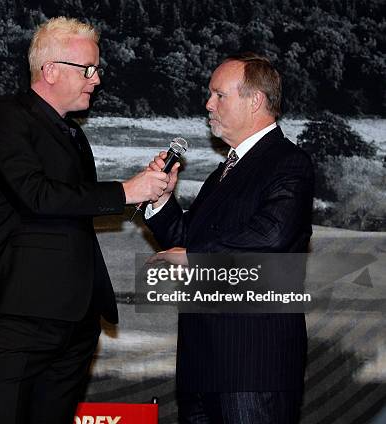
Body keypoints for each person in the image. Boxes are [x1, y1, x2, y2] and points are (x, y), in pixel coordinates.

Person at [0, 17, 169, 424]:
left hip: (76, 324)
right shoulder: (3, 116)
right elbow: (36, 196)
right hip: (21, 314)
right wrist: (127, 191)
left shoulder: (74, 135)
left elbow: (74, 211)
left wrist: (152, 194)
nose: (96, 80)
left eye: (97, 70)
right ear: (51, 70)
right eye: (89, 69)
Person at [145, 53, 314, 423]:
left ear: (254, 101)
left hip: (253, 363)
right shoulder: (224, 172)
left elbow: (272, 235)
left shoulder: (289, 162)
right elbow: (188, 241)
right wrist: (162, 201)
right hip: (202, 363)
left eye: (218, 95)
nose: (208, 104)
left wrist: (194, 256)